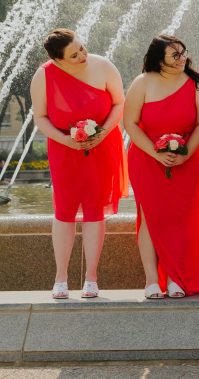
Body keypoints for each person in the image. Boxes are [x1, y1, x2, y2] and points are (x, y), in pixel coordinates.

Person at [123, 35, 199, 298]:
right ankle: (151, 280)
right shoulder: (142, 83)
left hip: (187, 159)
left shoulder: (196, 83)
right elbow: (130, 124)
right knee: (150, 216)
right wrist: (156, 154)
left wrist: (185, 154)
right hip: (147, 158)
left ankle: (175, 278)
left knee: (181, 217)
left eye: (183, 52)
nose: (182, 58)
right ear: (159, 59)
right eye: (174, 55)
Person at [30, 29, 128, 299]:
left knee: (95, 209)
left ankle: (91, 278)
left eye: (82, 48)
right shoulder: (44, 76)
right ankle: (60, 277)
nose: (82, 55)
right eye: (74, 55)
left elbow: (119, 103)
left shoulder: (104, 66)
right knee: (64, 209)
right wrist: (65, 139)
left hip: (102, 146)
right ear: (58, 60)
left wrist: (103, 133)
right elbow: (40, 117)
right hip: (64, 149)